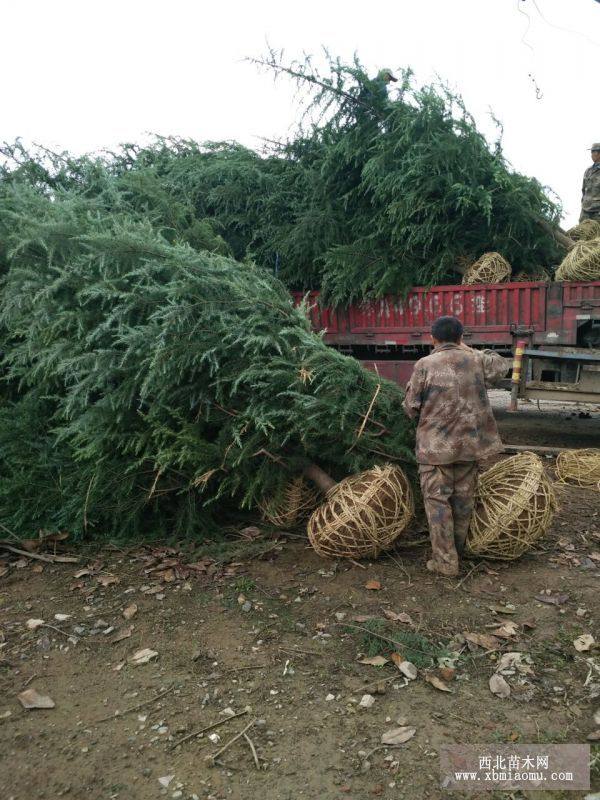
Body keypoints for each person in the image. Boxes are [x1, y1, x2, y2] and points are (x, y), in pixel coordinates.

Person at [402, 316, 509, 577]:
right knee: (463, 502)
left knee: (438, 504)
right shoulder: (476, 359)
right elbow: (501, 367)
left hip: (435, 450)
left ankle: (446, 563)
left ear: (432, 337)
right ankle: (457, 553)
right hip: (470, 447)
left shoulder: (425, 364)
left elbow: (410, 407)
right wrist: (467, 349)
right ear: (462, 337)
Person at [580, 143, 600, 223]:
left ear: (598, 153)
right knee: (581, 234)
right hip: (585, 210)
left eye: (593, 152)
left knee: (596, 234)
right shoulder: (588, 171)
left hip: (597, 212)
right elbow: (583, 190)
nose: (591, 154)